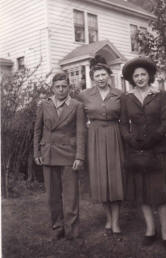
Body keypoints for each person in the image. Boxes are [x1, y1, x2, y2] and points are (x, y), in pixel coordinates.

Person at [120, 56, 166, 250]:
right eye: (136, 75)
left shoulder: (161, 95)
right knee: (142, 193)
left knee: (161, 194)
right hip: (138, 152)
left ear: (149, 76)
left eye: (143, 74)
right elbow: (124, 124)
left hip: (158, 151)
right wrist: (130, 139)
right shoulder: (127, 98)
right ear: (132, 78)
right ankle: (150, 230)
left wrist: (154, 138)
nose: (140, 78)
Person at [34, 71, 85, 240]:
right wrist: (37, 152)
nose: (61, 90)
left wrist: (79, 156)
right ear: (52, 88)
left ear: (69, 87)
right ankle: (57, 227)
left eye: (64, 86)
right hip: (48, 153)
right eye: (58, 87)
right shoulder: (44, 104)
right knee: (52, 195)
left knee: (71, 195)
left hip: (69, 154)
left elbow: (80, 132)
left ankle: (72, 229)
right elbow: (38, 130)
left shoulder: (76, 105)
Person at [79, 55, 124, 236]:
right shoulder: (84, 96)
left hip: (114, 135)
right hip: (95, 137)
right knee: (101, 179)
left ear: (109, 75)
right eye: (97, 75)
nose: (100, 78)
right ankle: (107, 219)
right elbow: (79, 120)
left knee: (115, 178)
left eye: (103, 74)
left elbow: (127, 117)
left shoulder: (120, 94)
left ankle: (116, 222)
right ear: (92, 77)